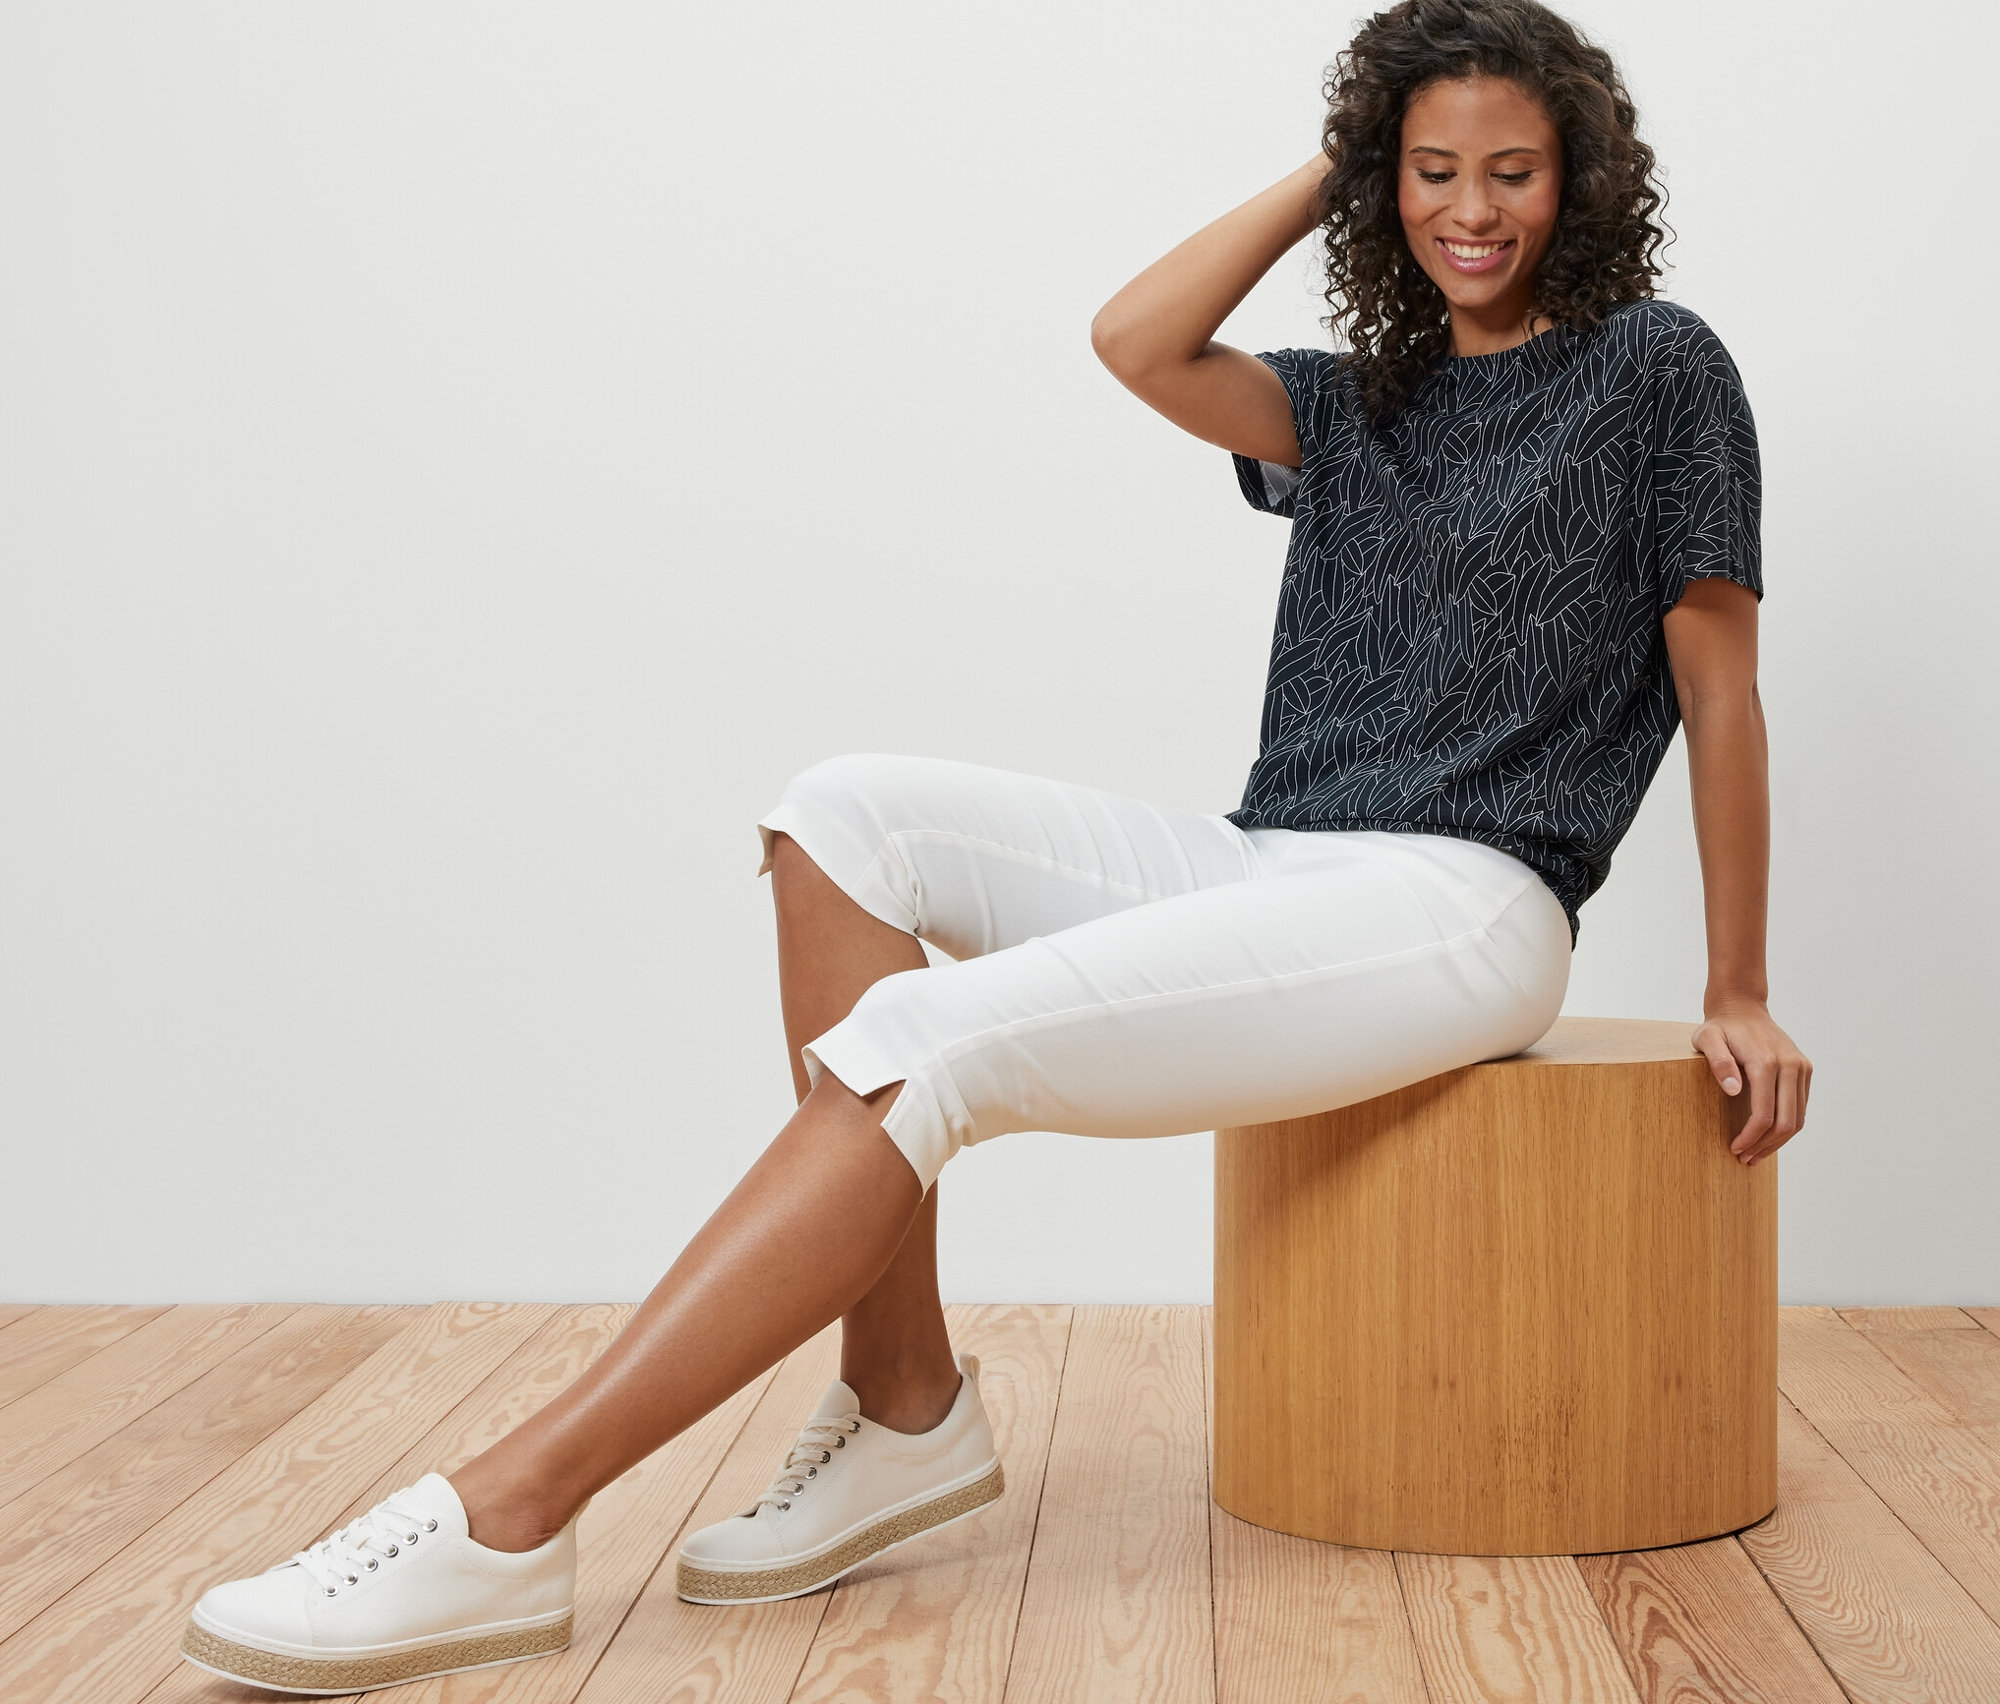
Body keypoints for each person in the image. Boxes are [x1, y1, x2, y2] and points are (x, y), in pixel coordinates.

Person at [177, 0, 1813, 1691]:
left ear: (1583, 181)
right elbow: (1138, 341)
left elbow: (1722, 684)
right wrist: (1342, 154)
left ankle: (508, 1515)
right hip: (1269, 859)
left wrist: (1740, 983)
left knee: (928, 1046)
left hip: (1465, 901)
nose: (1470, 209)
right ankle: (902, 1404)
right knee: (842, 813)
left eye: (1515, 172)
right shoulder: (1365, 401)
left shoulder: (1657, 369)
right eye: (1431, 171)